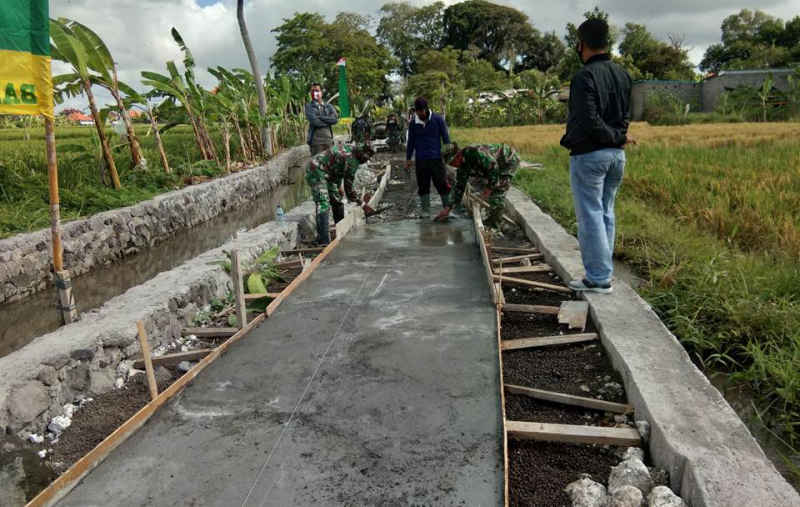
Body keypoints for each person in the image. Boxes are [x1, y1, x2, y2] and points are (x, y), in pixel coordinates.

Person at [560, 17, 634, 294]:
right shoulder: (623, 74)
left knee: (591, 216)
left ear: (582, 44)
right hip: (616, 157)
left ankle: (598, 278)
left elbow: (589, 121)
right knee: (605, 214)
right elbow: (625, 116)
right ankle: (603, 272)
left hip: (591, 157)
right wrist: (620, 138)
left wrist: (616, 137)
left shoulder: (584, 77)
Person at [436, 143, 520, 227]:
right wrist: (448, 208)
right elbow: (459, 187)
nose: (454, 165)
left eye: (453, 162)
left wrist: (489, 188)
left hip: (508, 160)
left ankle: (495, 224)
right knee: (488, 186)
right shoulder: (463, 165)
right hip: (494, 165)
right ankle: (492, 217)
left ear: (458, 155)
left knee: (497, 192)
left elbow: (493, 167)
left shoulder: (475, 152)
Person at [306, 143, 375, 245]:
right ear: (361, 152)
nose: (367, 159)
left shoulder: (352, 149)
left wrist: (338, 187)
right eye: (366, 156)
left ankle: (340, 230)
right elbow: (350, 192)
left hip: (329, 172)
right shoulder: (352, 161)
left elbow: (338, 169)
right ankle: (323, 240)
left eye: (369, 157)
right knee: (323, 202)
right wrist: (363, 205)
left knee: (337, 199)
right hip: (316, 170)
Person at [405, 97, 452, 216]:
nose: (420, 114)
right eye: (418, 111)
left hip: (436, 158)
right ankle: (426, 211)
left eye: (422, 111)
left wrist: (448, 151)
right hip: (421, 159)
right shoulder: (413, 124)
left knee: (441, 183)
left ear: (426, 109)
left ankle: (447, 209)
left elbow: (445, 137)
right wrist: (408, 159)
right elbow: (410, 142)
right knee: (423, 185)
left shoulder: (437, 119)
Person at [305, 83, 339, 156]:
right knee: (316, 165)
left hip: (329, 141)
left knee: (330, 164)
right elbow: (315, 122)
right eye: (312, 91)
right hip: (316, 143)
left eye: (317, 90)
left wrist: (320, 117)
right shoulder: (309, 107)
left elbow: (335, 119)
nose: (314, 93)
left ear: (321, 92)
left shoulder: (328, 106)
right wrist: (328, 121)